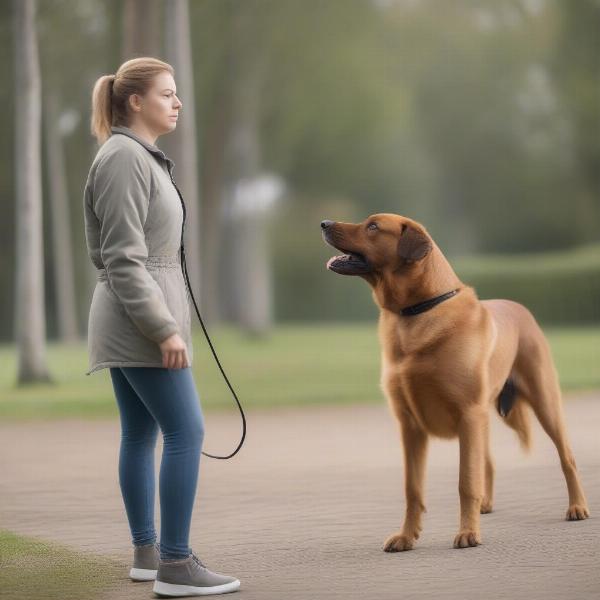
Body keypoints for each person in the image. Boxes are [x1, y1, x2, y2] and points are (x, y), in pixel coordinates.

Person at [83, 56, 240, 596]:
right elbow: (123, 258)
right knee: (186, 431)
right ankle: (175, 564)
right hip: (139, 319)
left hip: (131, 314)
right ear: (135, 102)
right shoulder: (125, 158)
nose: (176, 103)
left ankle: (149, 554)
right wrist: (164, 328)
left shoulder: (136, 156)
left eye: (176, 94)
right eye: (167, 94)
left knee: (142, 433)